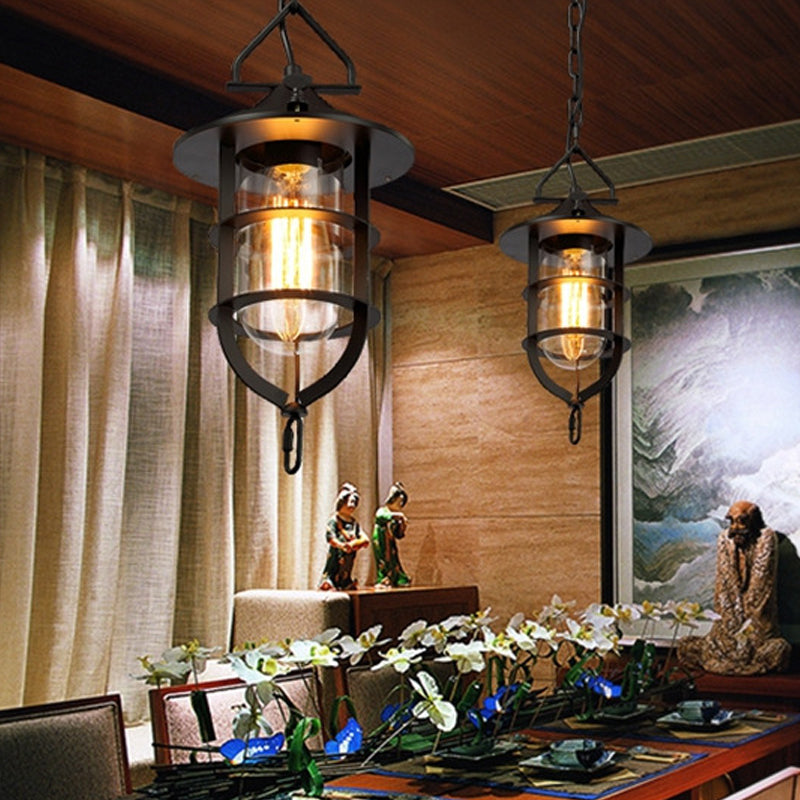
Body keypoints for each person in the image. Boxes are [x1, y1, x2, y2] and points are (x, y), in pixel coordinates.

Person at [678, 500, 791, 675]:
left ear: (753, 521)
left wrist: (745, 639)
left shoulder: (766, 538)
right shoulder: (725, 539)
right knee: (686, 646)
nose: (735, 527)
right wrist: (731, 635)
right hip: (726, 633)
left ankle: (741, 658)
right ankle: (736, 657)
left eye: (742, 521)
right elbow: (725, 588)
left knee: (778, 649)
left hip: (758, 633)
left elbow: (760, 592)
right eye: (732, 521)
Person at [318, 482, 370, 591]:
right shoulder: (335, 520)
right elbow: (330, 537)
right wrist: (341, 546)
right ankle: (329, 581)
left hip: (349, 554)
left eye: (354, 502)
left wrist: (354, 544)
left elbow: (365, 539)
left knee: (346, 569)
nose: (352, 505)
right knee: (334, 567)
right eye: (350, 501)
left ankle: (345, 582)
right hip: (338, 553)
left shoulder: (353, 523)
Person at [372, 482, 411, 588]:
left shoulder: (397, 518)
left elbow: (398, 534)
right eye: (399, 501)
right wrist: (399, 516)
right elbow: (381, 516)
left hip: (390, 542)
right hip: (381, 539)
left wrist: (402, 526)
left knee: (393, 559)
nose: (400, 504)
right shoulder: (383, 511)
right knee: (383, 560)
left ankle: (396, 577)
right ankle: (383, 578)